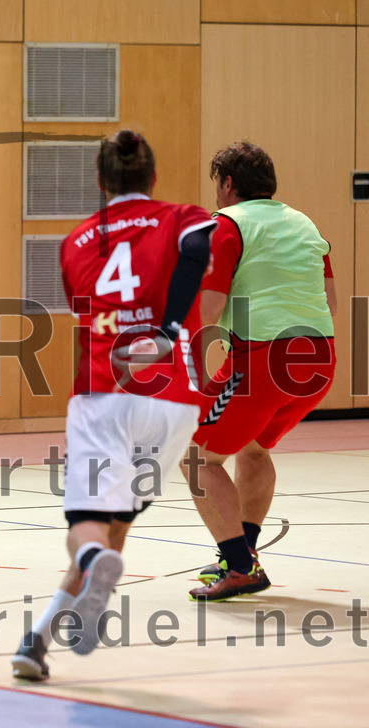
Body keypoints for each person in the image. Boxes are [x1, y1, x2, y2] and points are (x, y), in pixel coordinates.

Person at [12, 130, 216, 680]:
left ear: (101, 182)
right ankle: (39, 640)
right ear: (152, 177)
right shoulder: (179, 216)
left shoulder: (76, 240)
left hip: (104, 390)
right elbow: (202, 246)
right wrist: (171, 327)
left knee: (86, 525)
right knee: (114, 528)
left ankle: (81, 581)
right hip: (173, 399)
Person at [184, 141, 336, 601]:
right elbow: (328, 301)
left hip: (263, 359)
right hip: (319, 358)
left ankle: (238, 565)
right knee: (253, 449)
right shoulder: (305, 223)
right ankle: (244, 554)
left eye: (217, 183)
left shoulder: (227, 226)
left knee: (196, 458)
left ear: (227, 184)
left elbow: (208, 313)